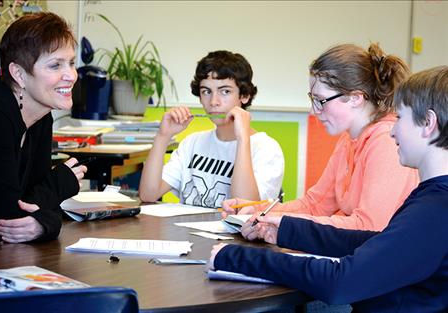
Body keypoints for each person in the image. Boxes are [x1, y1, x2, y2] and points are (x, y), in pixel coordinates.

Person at [210, 65, 448, 312]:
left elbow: (341, 282)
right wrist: (286, 228)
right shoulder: (432, 198)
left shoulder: (435, 209)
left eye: (399, 117)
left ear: (428, 122)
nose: (393, 129)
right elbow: (375, 241)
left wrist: (234, 257)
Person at [223, 43, 419, 233]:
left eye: (320, 100)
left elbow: (370, 227)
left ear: (355, 98)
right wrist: (258, 210)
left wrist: (284, 224)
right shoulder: (349, 140)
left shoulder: (387, 141)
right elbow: (315, 205)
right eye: (312, 99)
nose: (313, 110)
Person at [0, 12, 86, 244]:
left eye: (71, 63)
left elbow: (30, 203)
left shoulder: (40, 115)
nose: (71, 75)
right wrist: (61, 184)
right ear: (19, 74)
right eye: (55, 65)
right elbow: (6, 219)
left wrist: (44, 222)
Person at [139, 50, 284, 207]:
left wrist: (242, 139)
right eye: (206, 92)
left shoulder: (266, 149)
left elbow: (244, 208)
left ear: (244, 96)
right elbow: (148, 194)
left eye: (225, 91)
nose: (214, 101)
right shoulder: (192, 143)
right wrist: (162, 137)